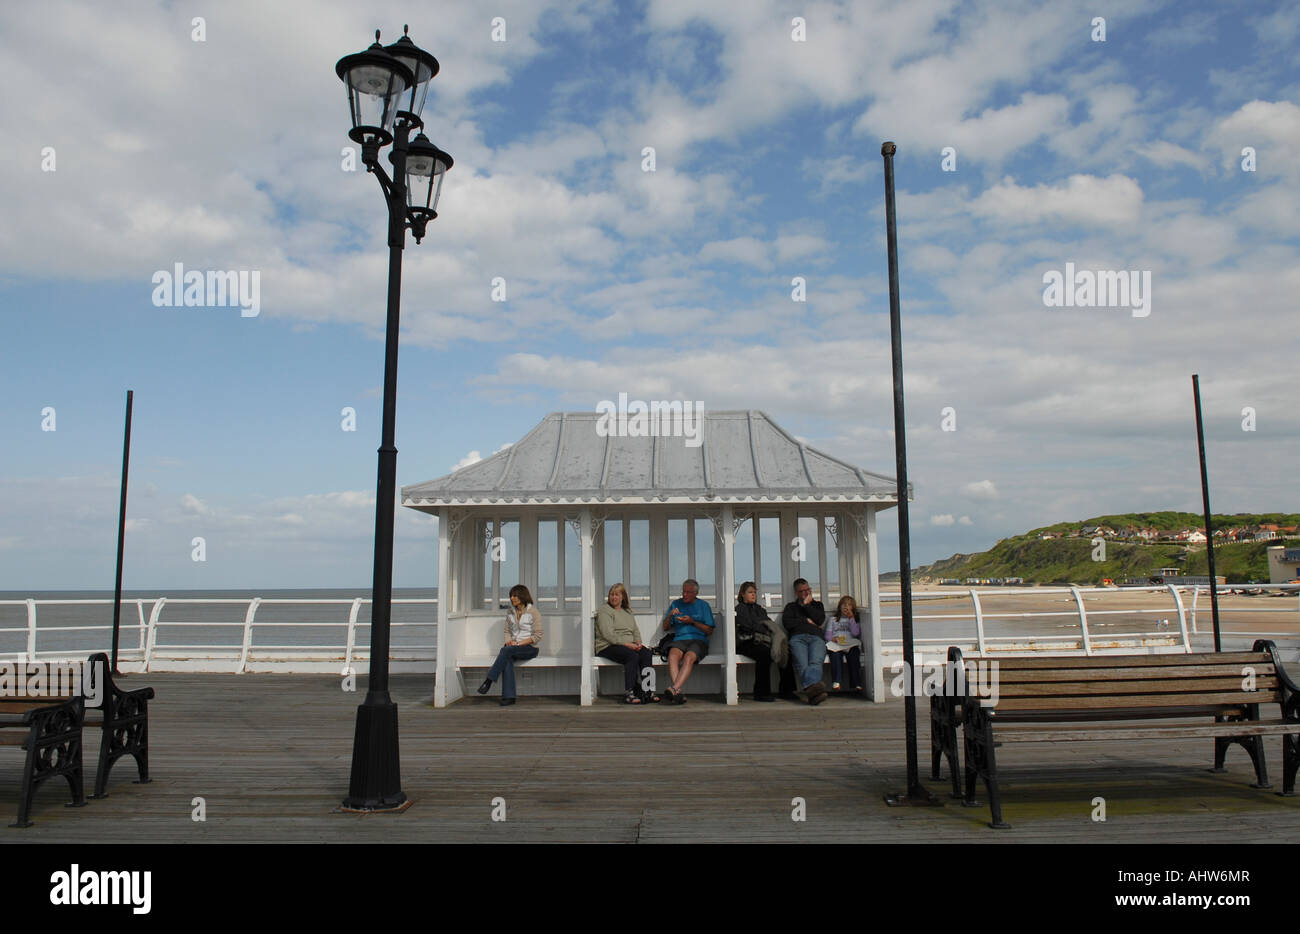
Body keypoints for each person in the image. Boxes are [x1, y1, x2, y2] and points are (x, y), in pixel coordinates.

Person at [477, 584, 543, 706]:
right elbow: (507, 631)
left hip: (530, 648)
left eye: (515, 595)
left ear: (522, 596)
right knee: (507, 657)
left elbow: (537, 636)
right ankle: (509, 697)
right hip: (512, 648)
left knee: (506, 651)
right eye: (511, 596)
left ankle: (489, 681)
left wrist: (518, 643)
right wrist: (508, 641)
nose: (512, 598)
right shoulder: (510, 612)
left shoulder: (533, 612)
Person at [596, 583, 661, 704]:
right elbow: (608, 635)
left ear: (623, 597)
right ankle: (630, 692)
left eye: (616, 595)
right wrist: (627, 644)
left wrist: (638, 642)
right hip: (608, 645)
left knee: (646, 653)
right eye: (611, 594)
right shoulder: (605, 611)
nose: (613, 597)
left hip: (627, 644)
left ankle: (648, 690)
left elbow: (635, 630)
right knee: (632, 656)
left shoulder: (627, 612)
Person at [734, 581, 794, 701]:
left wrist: (760, 625)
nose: (753, 595)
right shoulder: (739, 609)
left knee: (785, 651)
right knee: (765, 654)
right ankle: (761, 692)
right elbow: (747, 626)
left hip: (762, 640)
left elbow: (767, 623)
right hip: (746, 641)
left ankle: (787, 690)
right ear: (742, 594)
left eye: (754, 593)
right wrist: (761, 626)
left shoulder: (759, 609)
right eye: (750, 592)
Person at [660, 578, 714, 704]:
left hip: (698, 640)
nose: (685, 595)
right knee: (672, 655)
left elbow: (709, 631)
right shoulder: (676, 604)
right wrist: (669, 616)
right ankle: (677, 692)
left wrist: (692, 622)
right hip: (680, 639)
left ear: (696, 593)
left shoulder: (703, 606)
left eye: (688, 592)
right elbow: (665, 627)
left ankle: (674, 689)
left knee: (689, 657)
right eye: (684, 591)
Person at [782, 578, 828, 704]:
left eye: (808, 590)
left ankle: (812, 693)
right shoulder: (791, 607)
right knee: (802, 665)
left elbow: (819, 620)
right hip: (798, 638)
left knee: (815, 662)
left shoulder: (818, 605)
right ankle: (815, 693)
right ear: (796, 593)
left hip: (816, 638)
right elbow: (787, 623)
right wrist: (806, 621)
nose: (806, 593)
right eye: (802, 591)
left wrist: (807, 606)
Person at [824, 595, 864, 694]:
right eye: (844, 604)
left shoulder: (854, 620)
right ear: (839, 606)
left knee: (854, 656)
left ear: (853, 608)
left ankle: (856, 682)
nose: (846, 607)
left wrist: (851, 618)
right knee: (835, 656)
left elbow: (855, 633)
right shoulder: (833, 620)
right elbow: (827, 635)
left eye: (849, 605)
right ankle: (836, 681)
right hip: (836, 644)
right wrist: (833, 639)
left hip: (849, 644)